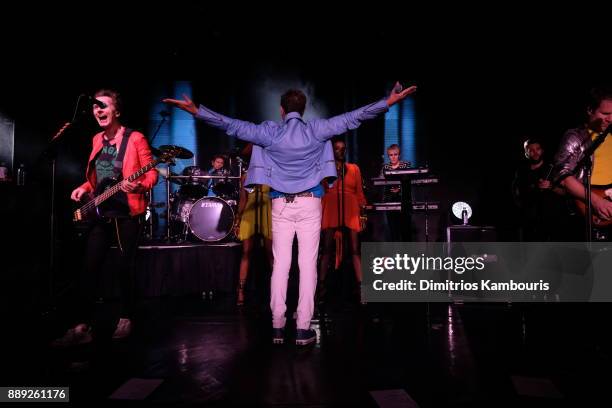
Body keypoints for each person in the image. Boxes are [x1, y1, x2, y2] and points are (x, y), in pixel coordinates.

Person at [164, 82, 417, 345]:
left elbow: (232, 124)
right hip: (310, 204)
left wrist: (197, 111)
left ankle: (276, 327)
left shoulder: (269, 132)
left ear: (282, 111)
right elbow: (355, 117)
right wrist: (387, 102)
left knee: (281, 266)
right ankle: (302, 330)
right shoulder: (317, 130)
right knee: (307, 266)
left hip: (280, 205)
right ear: (303, 110)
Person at [52, 89, 158, 346]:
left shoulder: (135, 138)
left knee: (124, 267)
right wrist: (84, 188)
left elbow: (151, 173)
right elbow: (99, 178)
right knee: (89, 268)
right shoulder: (97, 139)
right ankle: (81, 327)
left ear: (117, 111)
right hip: (101, 211)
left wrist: (140, 185)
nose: (98, 110)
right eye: (95, 107)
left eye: (104, 106)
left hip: (127, 211)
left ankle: (126, 318)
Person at [553, 87, 612, 241]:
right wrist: (596, 201)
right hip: (586, 213)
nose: (610, 119)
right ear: (590, 110)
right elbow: (563, 175)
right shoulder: (575, 137)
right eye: (605, 114)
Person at [318, 138, 367, 306]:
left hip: (351, 208)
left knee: (354, 249)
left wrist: (363, 211)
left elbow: (359, 192)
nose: (341, 151)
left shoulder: (353, 169)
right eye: (337, 149)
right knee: (327, 249)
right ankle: (321, 287)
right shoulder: (325, 169)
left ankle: (361, 288)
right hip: (331, 207)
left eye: (343, 149)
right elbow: (321, 189)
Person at [233, 145, 273, 307]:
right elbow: (243, 199)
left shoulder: (272, 173)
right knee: (246, 252)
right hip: (250, 210)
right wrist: (237, 218)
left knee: (271, 254)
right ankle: (240, 290)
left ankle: (276, 290)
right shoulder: (246, 176)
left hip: (266, 210)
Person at [512, 138, 566, 241]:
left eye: (537, 149)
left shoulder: (553, 169)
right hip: (531, 224)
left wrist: (551, 186)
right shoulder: (521, 172)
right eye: (531, 150)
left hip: (554, 222)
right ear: (526, 153)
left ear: (542, 150)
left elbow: (566, 192)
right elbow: (517, 196)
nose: (535, 152)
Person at [380, 144, 412, 241]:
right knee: (393, 229)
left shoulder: (405, 165)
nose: (393, 157)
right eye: (391, 155)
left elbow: (409, 180)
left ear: (399, 155)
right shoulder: (385, 167)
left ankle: (406, 254)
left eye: (395, 154)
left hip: (403, 200)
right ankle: (395, 253)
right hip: (389, 199)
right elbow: (380, 181)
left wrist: (400, 188)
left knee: (405, 229)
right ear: (388, 156)